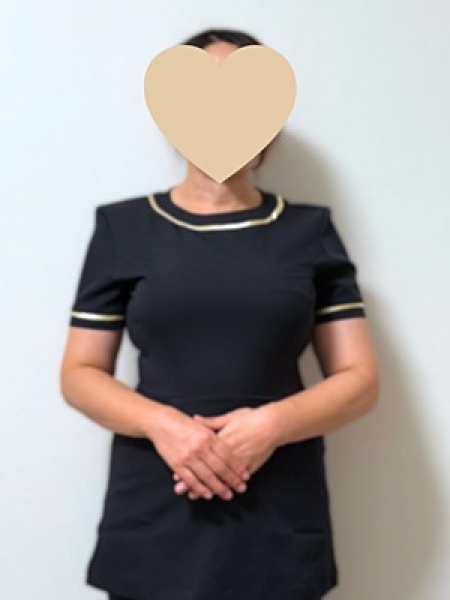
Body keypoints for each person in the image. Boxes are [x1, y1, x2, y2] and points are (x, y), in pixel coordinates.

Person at [60, 27, 379, 600]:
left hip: (279, 510)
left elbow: (359, 381)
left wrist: (271, 426)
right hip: (156, 505)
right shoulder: (122, 229)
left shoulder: (309, 231)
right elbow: (79, 374)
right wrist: (166, 427)